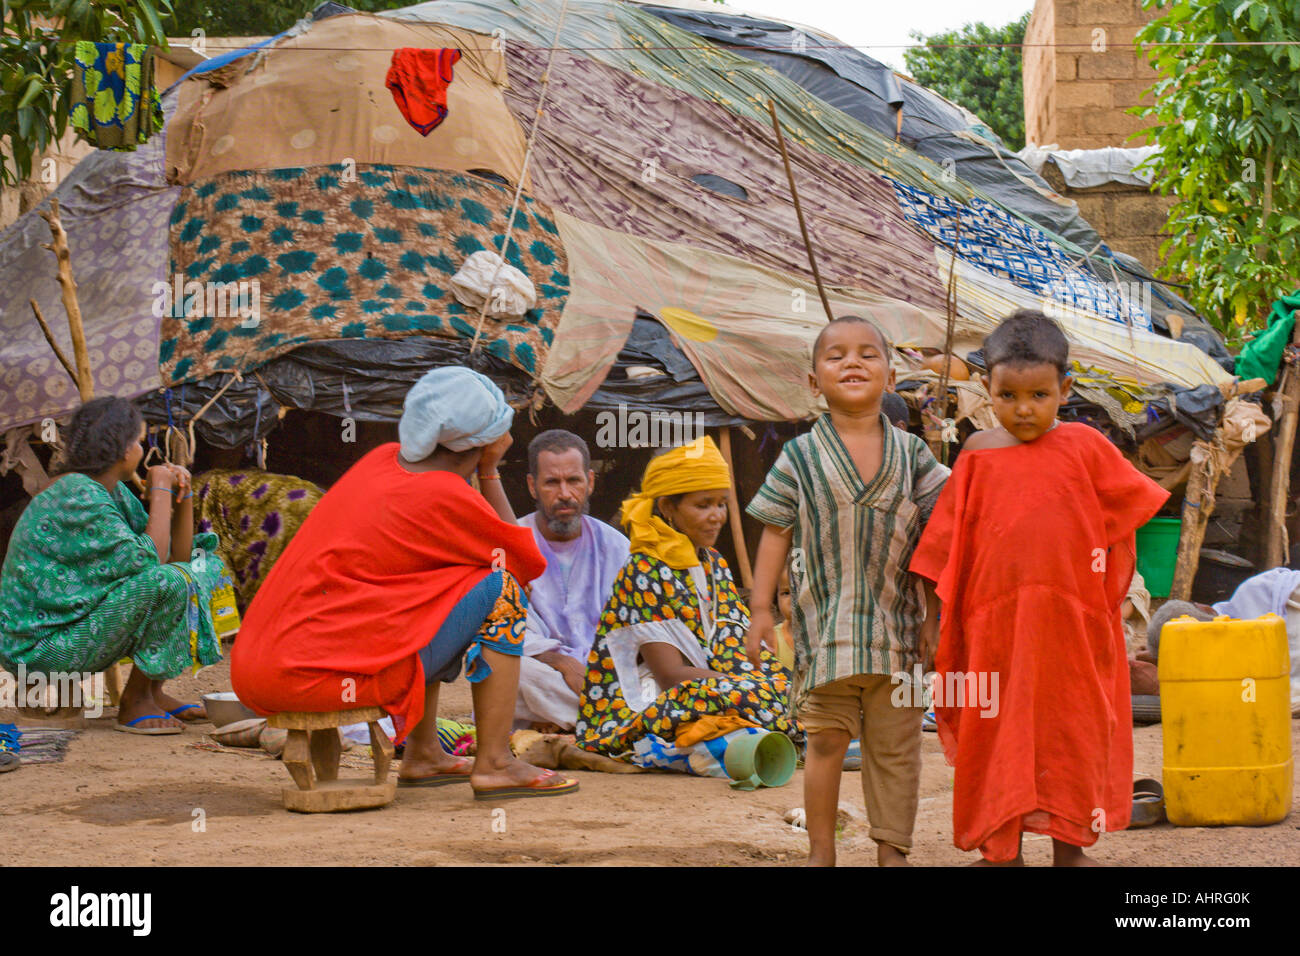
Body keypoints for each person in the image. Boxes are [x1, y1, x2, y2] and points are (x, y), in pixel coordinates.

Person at [231, 367, 577, 800]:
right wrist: (489, 472)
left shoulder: (381, 460)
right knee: (501, 588)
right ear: (486, 442)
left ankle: (425, 752)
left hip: (258, 670)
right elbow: (526, 566)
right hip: (310, 679)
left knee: (437, 587)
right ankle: (494, 763)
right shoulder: (445, 495)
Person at [909, 310, 1168, 865]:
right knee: (997, 734)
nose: (1024, 409)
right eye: (1008, 395)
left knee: (1069, 731)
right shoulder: (977, 456)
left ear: (1065, 388)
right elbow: (946, 550)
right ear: (986, 388)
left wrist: (1109, 594)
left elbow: (1127, 516)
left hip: (1069, 630)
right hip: (994, 630)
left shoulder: (1086, 445)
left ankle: (1069, 850)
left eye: (1039, 395)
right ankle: (1003, 849)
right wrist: (937, 623)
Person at [748, 315, 949, 867]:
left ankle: (892, 851)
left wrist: (935, 615)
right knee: (827, 741)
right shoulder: (800, 457)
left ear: (890, 376)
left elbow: (942, 533)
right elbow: (774, 530)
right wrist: (761, 608)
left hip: (899, 631)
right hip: (825, 629)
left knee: (896, 749)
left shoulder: (914, 457)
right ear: (814, 382)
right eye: (835, 356)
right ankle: (821, 852)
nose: (852, 363)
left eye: (867, 354)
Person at [0, 397, 226, 734]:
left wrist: (185, 494)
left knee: (197, 568)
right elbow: (151, 561)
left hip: (68, 631)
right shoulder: (77, 494)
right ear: (121, 450)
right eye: (138, 440)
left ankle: (152, 691)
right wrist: (161, 490)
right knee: (168, 582)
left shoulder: (110, 492)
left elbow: (176, 558)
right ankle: (133, 703)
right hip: (38, 650)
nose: (143, 448)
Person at [575, 437, 800, 766]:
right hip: (651, 701)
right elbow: (669, 675)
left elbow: (735, 647)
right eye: (703, 504)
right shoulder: (643, 571)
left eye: (721, 504)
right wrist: (746, 686)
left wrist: (766, 683)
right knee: (751, 695)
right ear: (668, 507)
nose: (716, 516)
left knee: (793, 689)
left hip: (712, 686)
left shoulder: (714, 564)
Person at [515, 429, 628, 732]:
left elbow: (633, 630)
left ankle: (564, 722)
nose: (565, 493)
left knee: (654, 675)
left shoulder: (616, 547)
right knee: (508, 673)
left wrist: (598, 669)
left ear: (589, 482)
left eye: (574, 481)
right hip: (545, 672)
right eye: (552, 482)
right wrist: (562, 663)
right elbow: (506, 629)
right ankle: (612, 725)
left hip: (605, 675)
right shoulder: (511, 543)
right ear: (533, 486)